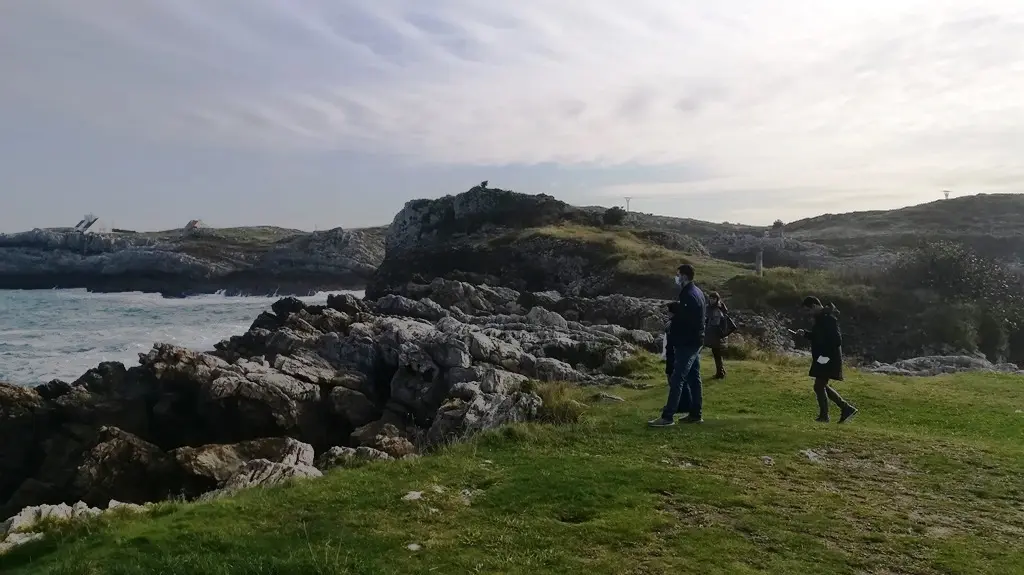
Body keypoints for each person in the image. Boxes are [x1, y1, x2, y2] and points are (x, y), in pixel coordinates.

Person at [650, 264, 706, 427]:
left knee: (677, 378)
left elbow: (685, 321)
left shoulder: (688, 295)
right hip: (696, 342)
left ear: (685, 276)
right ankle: (696, 413)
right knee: (694, 378)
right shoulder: (698, 292)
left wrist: (672, 327)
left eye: (678, 275)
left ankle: (667, 417)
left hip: (687, 343)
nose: (676, 277)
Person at [797, 296, 858, 424]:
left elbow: (837, 340)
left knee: (819, 385)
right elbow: (820, 336)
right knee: (820, 385)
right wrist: (806, 334)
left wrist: (825, 355)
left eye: (808, 311)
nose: (808, 314)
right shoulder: (821, 319)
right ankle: (845, 408)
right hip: (824, 357)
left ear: (814, 306)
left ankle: (826, 416)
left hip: (827, 358)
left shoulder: (828, 319)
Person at [705, 291, 730, 379]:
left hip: (717, 334)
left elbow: (716, 322)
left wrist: (707, 325)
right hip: (717, 334)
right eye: (710, 298)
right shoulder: (714, 307)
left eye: (713, 298)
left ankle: (720, 373)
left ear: (717, 299)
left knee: (717, 353)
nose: (711, 300)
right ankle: (721, 371)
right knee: (717, 354)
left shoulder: (717, 309)